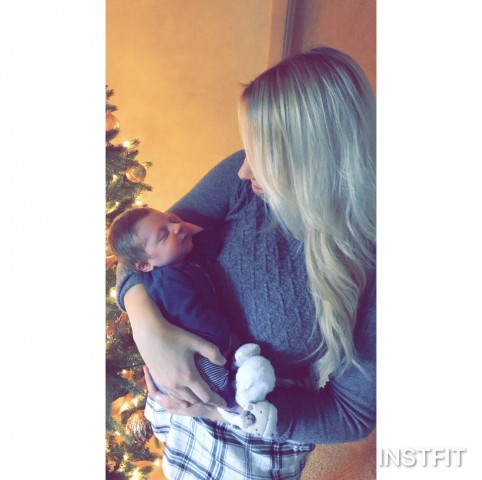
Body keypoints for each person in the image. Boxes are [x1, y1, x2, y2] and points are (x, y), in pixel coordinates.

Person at [116, 46, 376, 479]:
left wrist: (222, 409)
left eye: (263, 157)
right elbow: (139, 252)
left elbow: (350, 415)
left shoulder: (372, 259)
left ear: (315, 163)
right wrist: (149, 329)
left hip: (254, 445)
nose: (243, 170)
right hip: (179, 421)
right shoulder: (242, 182)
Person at [108, 207, 278, 437]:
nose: (176, 228)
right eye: (163, 234)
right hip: (196, 350)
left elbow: (212, 244)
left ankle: (238, 377)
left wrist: (181, 227)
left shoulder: (183, 259)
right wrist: (227, 340)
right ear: (145, 265)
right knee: (212, 373)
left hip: (207, 339)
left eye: (171, 220)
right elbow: (193, 318)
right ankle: (234, 408)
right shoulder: (167, 281)